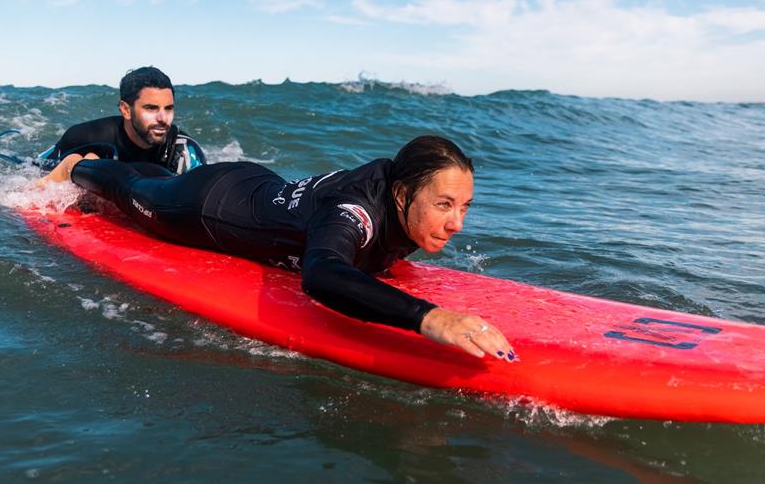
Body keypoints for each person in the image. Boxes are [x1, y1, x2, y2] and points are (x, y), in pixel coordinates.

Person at [40, 135, 515, 361]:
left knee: (159, 179)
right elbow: (322, 274)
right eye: (444, 205)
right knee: (134, 190)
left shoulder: (401, 192)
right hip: (206, 208)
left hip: (257, 184)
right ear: (402, 195)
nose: (456, 223)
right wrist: (431, 318)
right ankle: (79, 165)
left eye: (466, 206)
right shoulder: (355, 212)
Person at [37, 66, 206, 175]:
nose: (163, 119)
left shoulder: (185, 152)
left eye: (168, 108)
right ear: (126, 110)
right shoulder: (84, 137)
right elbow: (37, 171)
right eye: (151, 108)